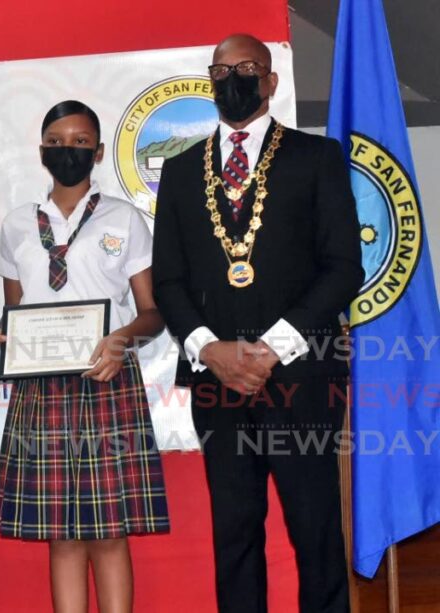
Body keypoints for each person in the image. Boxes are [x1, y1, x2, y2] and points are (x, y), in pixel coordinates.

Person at [152, 34, 362, 613]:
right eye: (221, 69)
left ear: (270, 81)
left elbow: (344, 268)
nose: (234, 78)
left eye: (247, 68)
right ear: (209, 81)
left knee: (316, 532)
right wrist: (209, 349)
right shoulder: (179, 169)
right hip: (217, 385)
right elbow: (168, 279)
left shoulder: (316, 159)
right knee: (235, 536)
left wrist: (270, 350)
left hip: (300, 382)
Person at [0, 100, 169, 613]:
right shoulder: (17, 224)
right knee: (61, 535)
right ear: (42, 148)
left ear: (97, 152)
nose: (67, 150)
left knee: (110, 532)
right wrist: (9, 336)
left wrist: (122, 341)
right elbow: (14, 311)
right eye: (57, 140)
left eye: (79, 141)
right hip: (40, 388)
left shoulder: (123, 216)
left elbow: (152, 312)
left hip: (106, 379)